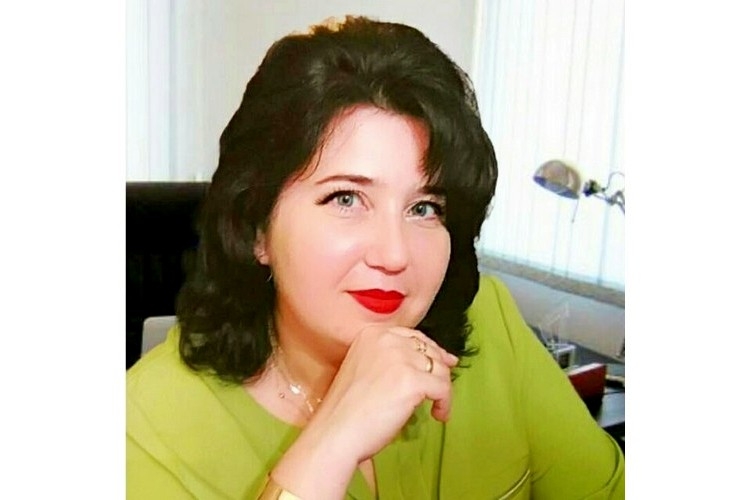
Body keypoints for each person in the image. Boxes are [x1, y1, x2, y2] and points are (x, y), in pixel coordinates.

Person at [126, 16, 625, 499]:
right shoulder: (146, 426)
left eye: (424, 208)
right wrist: (330, 442)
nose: (394, 254)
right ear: (258, 227)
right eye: (346, 198)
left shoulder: (488, 322)